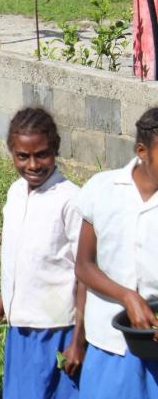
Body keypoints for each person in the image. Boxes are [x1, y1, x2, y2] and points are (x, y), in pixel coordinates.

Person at [0, 107, 86, 399]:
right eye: (23, 156)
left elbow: (85, 272)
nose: (33, 165)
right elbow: (20, 262)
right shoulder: (14, 192)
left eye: (42, 154)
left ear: (56, 149)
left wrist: (79, 338)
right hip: (20, 327)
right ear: (11, 152)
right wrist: (0, 307)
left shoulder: (70, 200)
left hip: (56, 328)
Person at [75, 107, 158, 399]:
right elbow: (83, 266)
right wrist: (127, 296)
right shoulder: (101, 189)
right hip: (108, 344)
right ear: (142, 151)